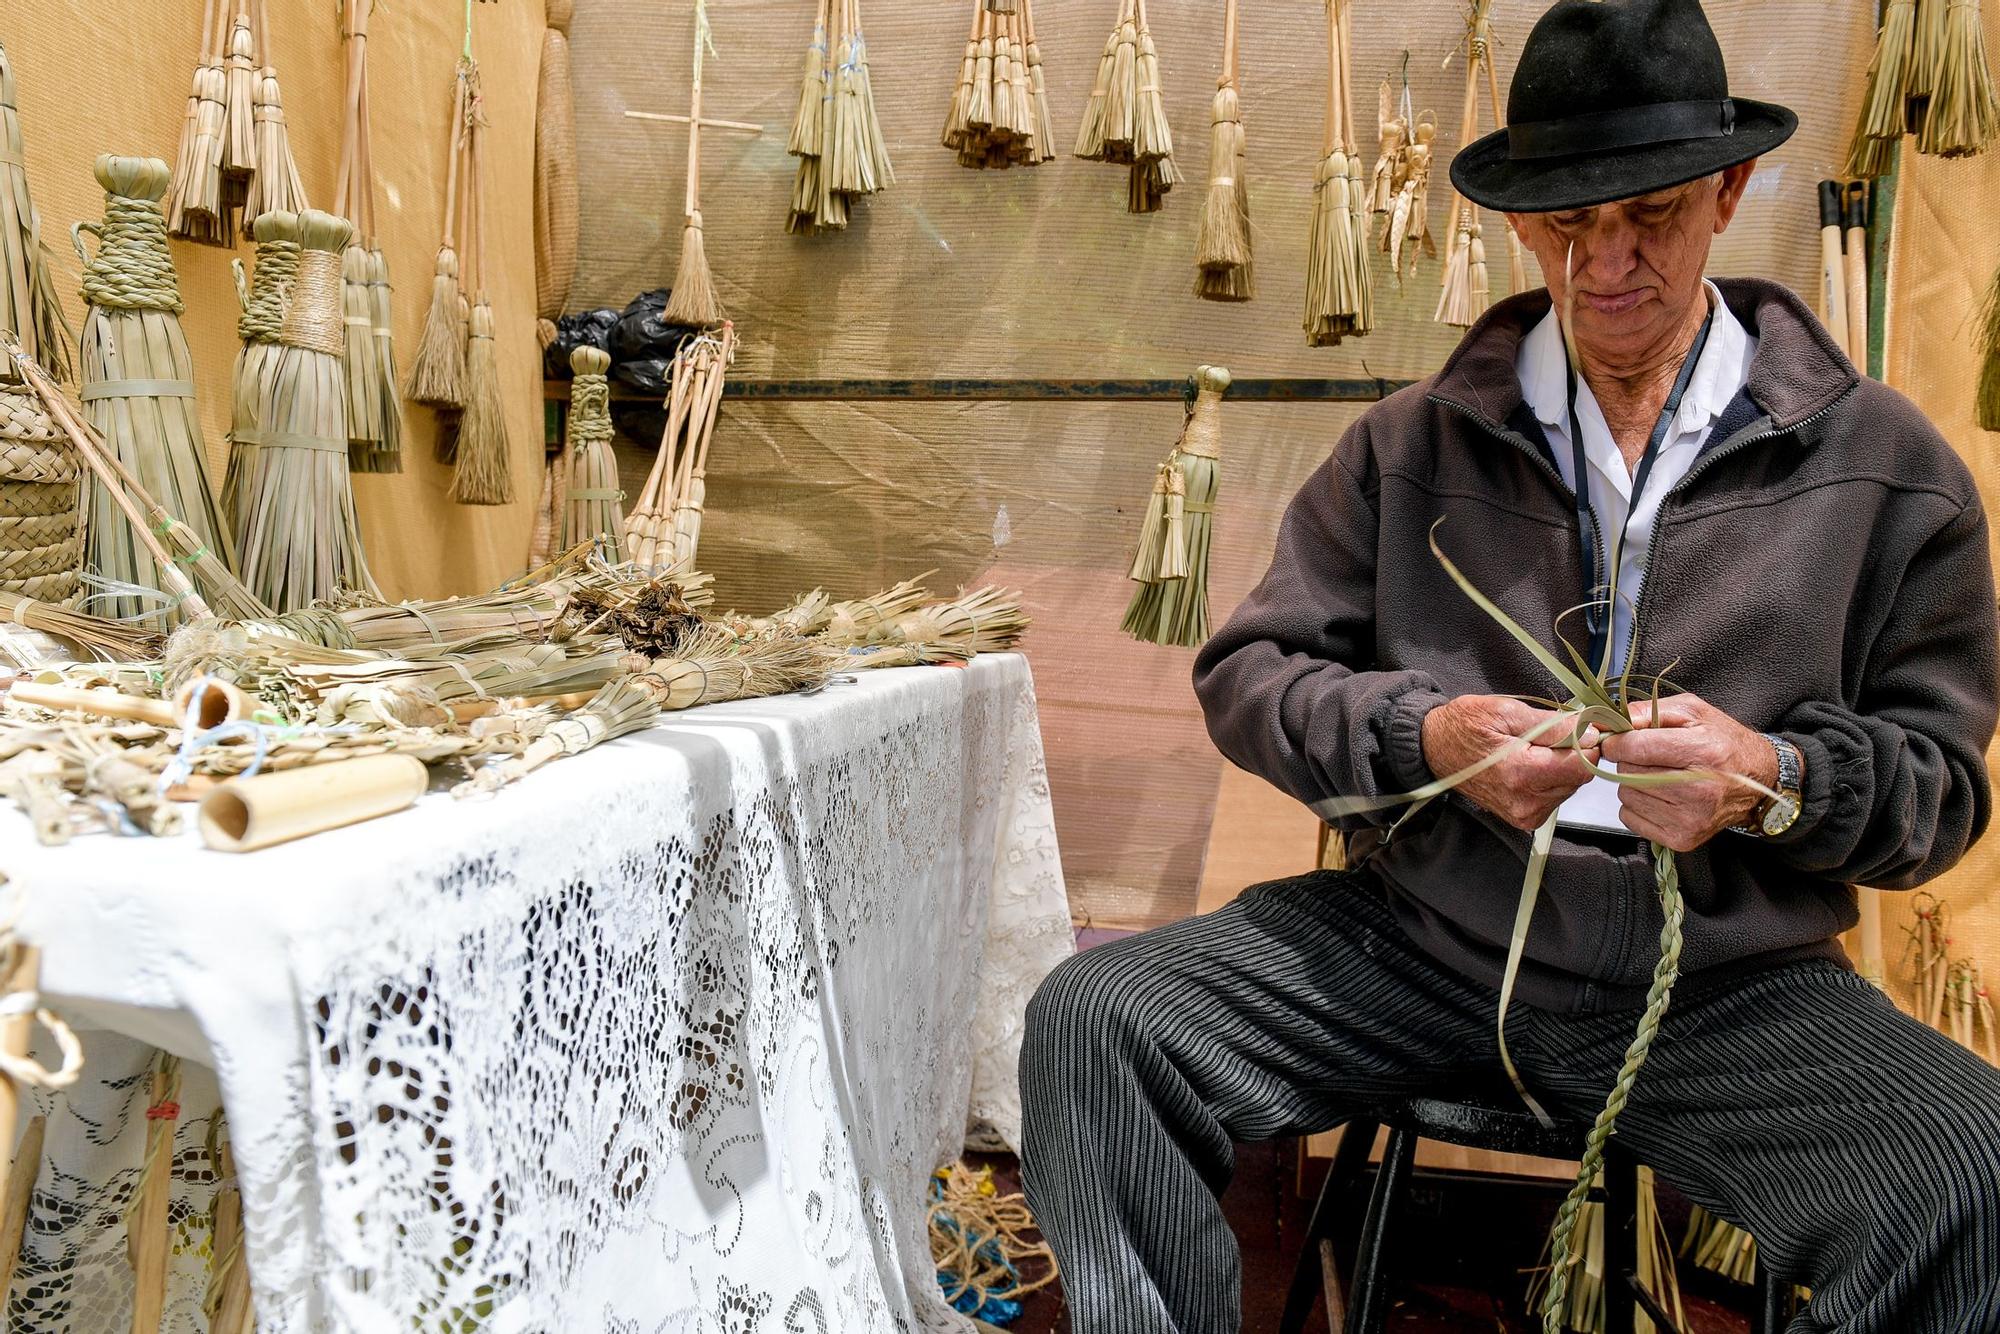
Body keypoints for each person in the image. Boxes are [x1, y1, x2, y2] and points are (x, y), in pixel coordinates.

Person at [1019, 1, 2000, 1330]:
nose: (1603, 263)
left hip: (1725, 990)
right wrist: (1427, 739)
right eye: (1562, 224)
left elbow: (1937, 785)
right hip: (1423, 947)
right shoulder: (1411, 445)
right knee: (1100, 1018)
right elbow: (1251, 674)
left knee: (1975, 1170)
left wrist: (1767, 777)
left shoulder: (1880, 467)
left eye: (1646, 213)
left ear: (1729, 188)